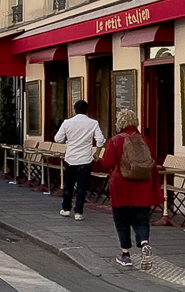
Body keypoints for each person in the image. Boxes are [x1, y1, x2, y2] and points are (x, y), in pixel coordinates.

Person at [98, 109, 162, 269]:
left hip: (121, 185)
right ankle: (144, 242)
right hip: (142, 185)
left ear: (119, 123)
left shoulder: (115, 141)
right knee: (141, 218)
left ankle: (125, 254)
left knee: (122, 219)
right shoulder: (144, 140)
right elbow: (152, 160)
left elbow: (107, 163)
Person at [53, 99, 107, 220]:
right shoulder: (93, 123)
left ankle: (66, 209)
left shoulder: (67, 123)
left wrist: (69, 139)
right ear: (87, 110)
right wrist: (97, 153)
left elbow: (57, 138)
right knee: (82, 187)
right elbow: (101, 140)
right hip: (85, 159)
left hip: (71, 158)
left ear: (75, 109)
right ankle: (78, 212)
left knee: (68, 185)